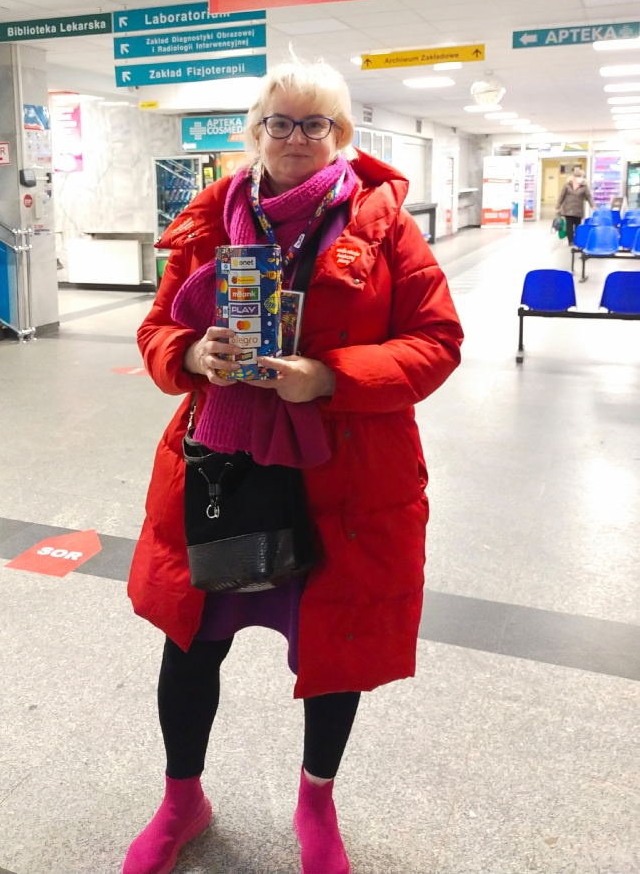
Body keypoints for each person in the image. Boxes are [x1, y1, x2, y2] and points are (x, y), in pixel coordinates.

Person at [123, 56, 464, 874]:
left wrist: (330, 377)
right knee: (190, 642)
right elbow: (157, 328)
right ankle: (181, 799)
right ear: (255, 131)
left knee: (332, 647)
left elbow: (437, 342)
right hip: (222, 466)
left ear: (340, 134)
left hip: (341, 479)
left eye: (316, 123)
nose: (296, 137)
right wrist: (190, 355)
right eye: (279, 122)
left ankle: (316, 802)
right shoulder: (209, 221)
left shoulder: (383, 226)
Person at [557, 168, 594, 246]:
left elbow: (588, 196)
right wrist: (558, 205)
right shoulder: (567, 185)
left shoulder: (584, 186)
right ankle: (570, 241)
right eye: (577, 176)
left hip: (578, 209)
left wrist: (592, 205)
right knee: (569, 225)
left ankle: (577, 239)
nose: (578, 178)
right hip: (568, 208)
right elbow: (562, 195)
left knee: (578, 226)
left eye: (580, 176)